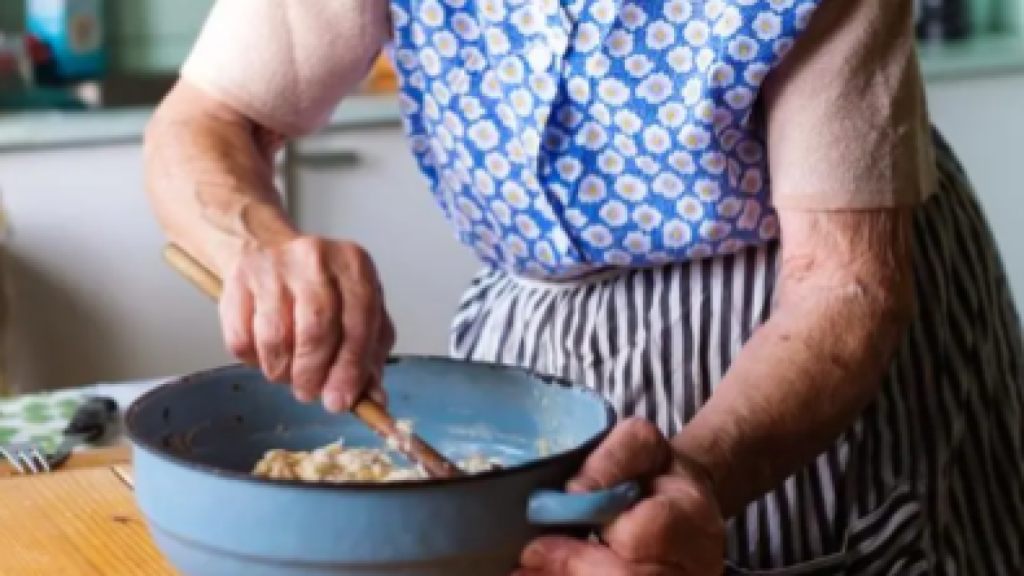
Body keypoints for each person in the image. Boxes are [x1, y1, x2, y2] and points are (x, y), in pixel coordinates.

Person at [145, 0, 1024, 573]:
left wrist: (702, 475)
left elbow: (841, 285)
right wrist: (257, 244)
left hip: (807, 354)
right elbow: (207, 119)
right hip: (543, 347)